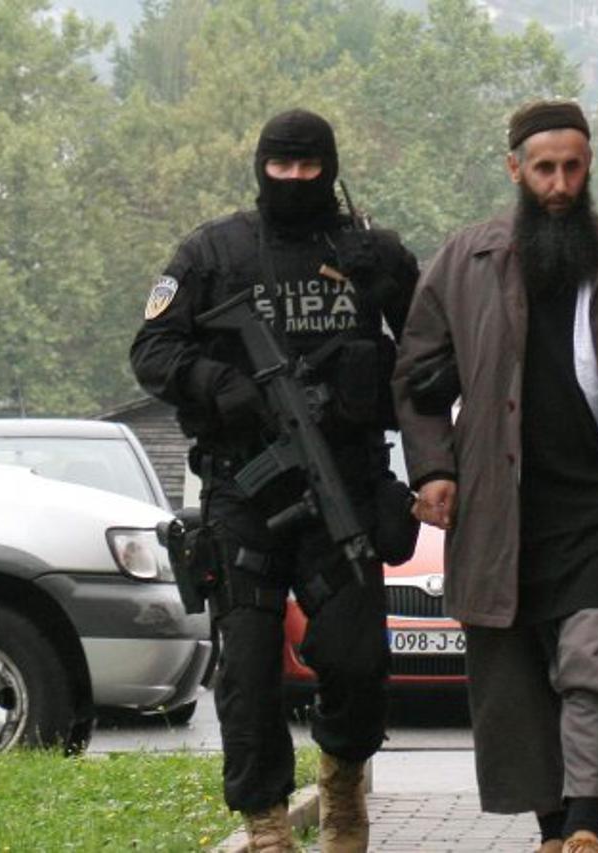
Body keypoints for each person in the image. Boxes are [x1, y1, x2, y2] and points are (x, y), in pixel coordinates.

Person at [392, 100, 598, 853]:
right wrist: (434, 468)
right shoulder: (466, 262)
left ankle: (585, 825)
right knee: (519, 681)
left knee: (596, 666)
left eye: (573, 168)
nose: (560, 185)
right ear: (514, 170)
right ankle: (553, 831)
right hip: (504, 512)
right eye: (545, 169)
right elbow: (416, 373)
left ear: (589, 167)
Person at [130, 108, 419, 853]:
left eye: (308, 167)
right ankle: (264, 821)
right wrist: (215, 381)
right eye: (280, 166)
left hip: (344, 486)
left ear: (331, 168)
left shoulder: (372, 252)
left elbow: (428, 356)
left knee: (357, 659)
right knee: (250, 669)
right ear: (260, 166)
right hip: (244, 490)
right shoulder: (213, 252)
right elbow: (152, 350)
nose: (293, 180)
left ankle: (343, 780)